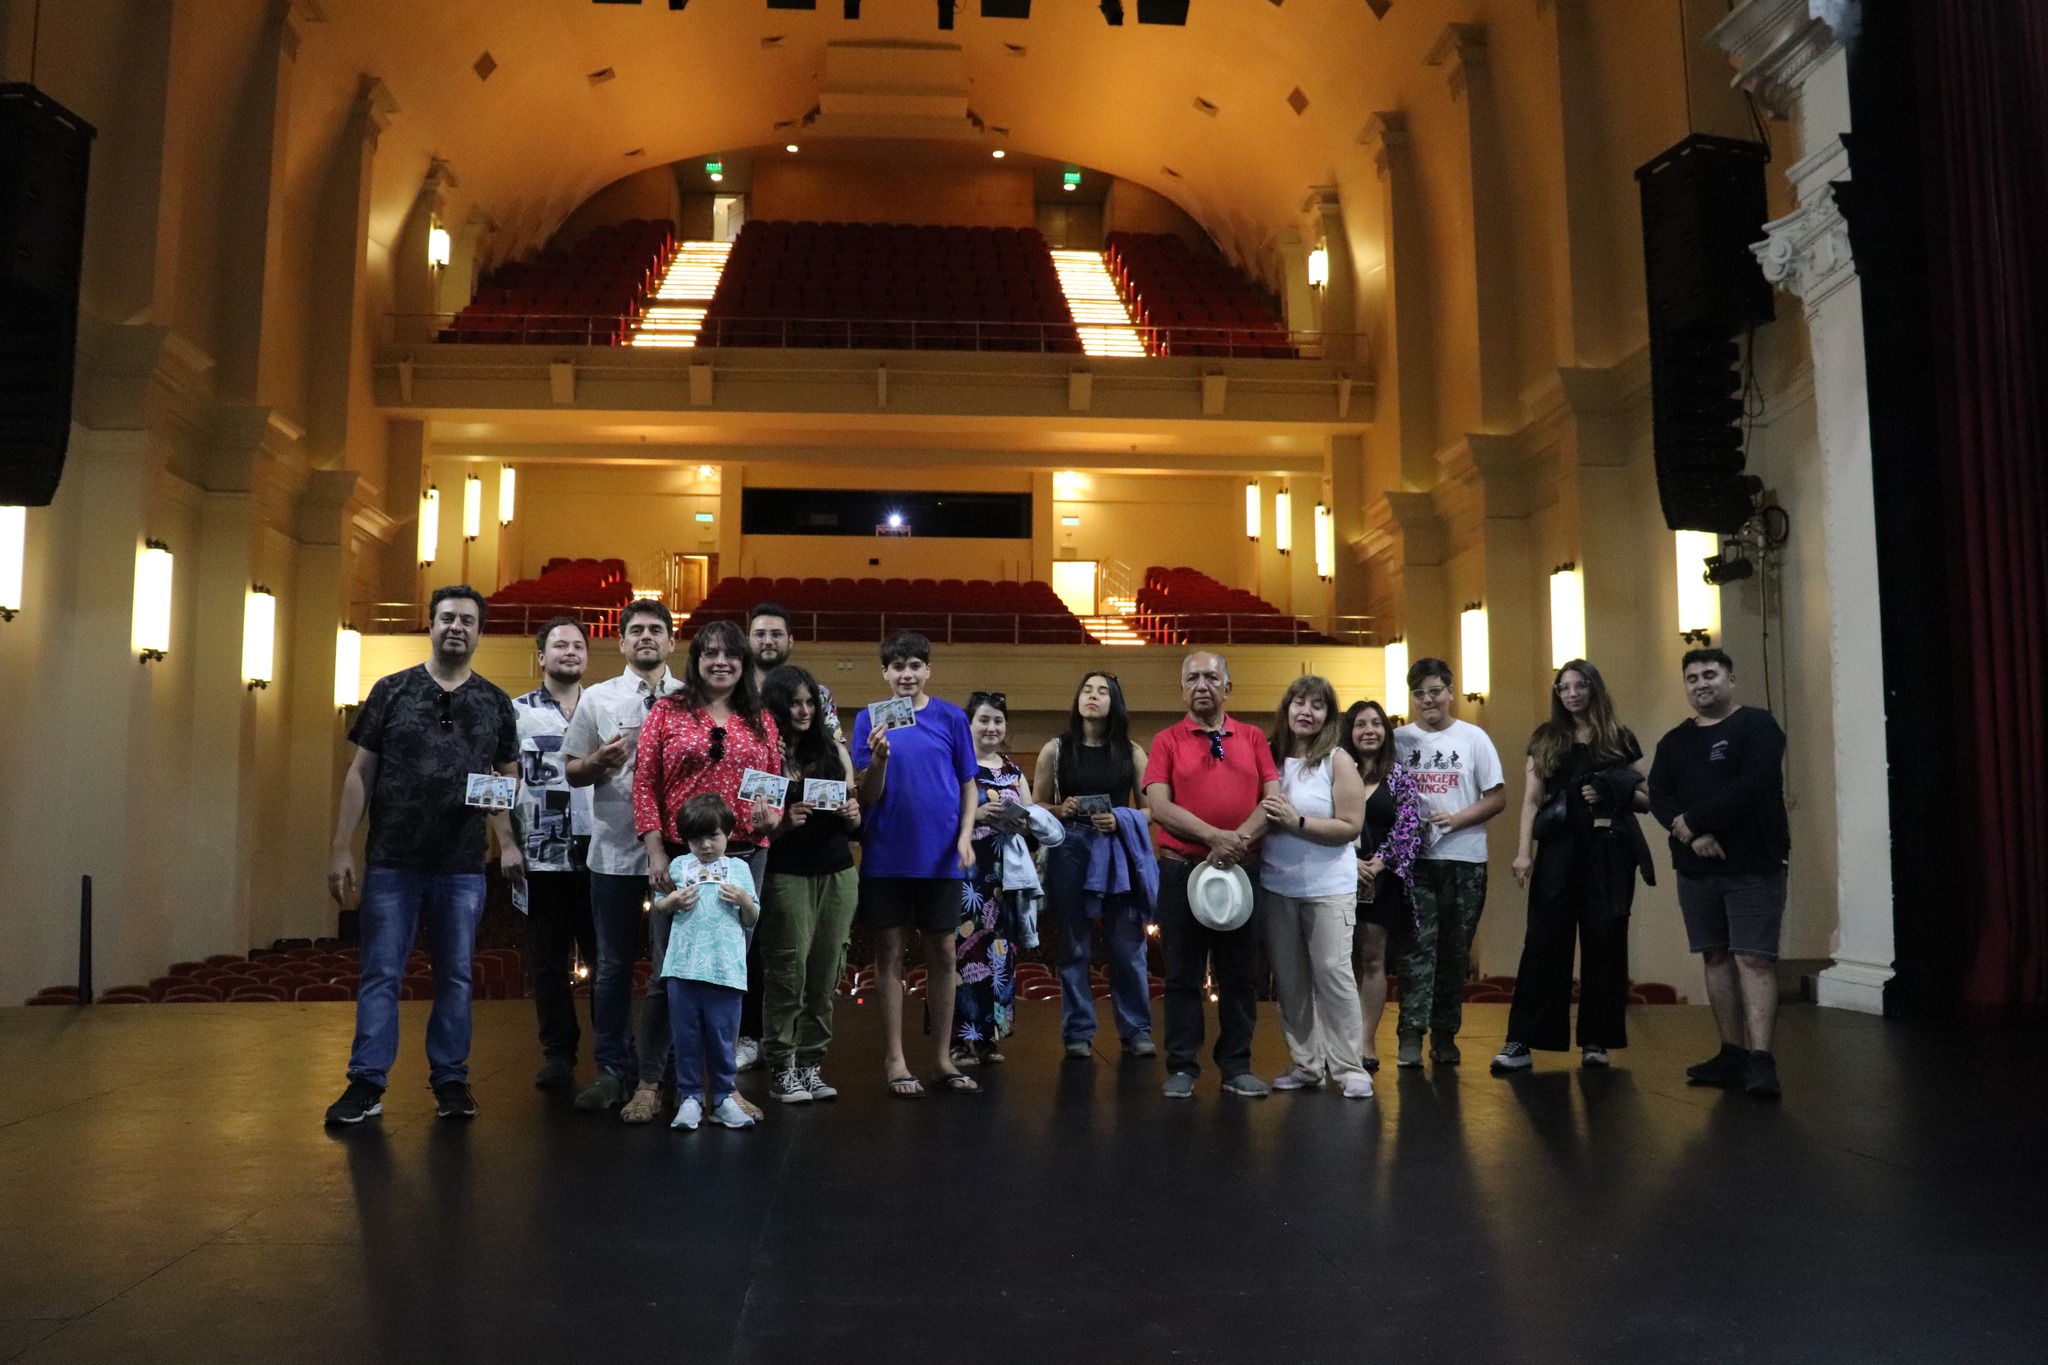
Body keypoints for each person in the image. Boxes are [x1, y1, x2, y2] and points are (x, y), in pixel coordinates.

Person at [324, 585, 523, 1126]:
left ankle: (451, 1080)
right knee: (381, 973)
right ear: (431, 626)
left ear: (480, 633)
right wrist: (341, 847)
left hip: (461, 865)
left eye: (467, 620)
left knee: (456, 976)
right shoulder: (390, 690)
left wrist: (505, 836)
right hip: (393, 859)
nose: (456, 627)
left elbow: (505, 778)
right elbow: (360, 773)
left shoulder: (495, 702)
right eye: (447, 618)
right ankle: (366, 1083)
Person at [626, 619, 781, 1122]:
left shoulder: (761, 718)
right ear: (695, 660)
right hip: (679, 856)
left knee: (728, 975)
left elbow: (774, 787)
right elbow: (644, 784)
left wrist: (771, 817)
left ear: (744, 662)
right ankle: (651, 1083)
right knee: (666, 974)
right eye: (710, 653)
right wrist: (655, 852)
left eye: (730, 654)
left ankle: (723, 1090)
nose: (720, 662)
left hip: (744, 857)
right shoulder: (668, 710)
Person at [1495, 660, 1656, 1073]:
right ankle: (1522, 1040)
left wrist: (1612, 789)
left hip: (1608, 852)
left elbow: (1647, 799)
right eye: (1564, 687)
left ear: (1593, 688)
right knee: (1544, 943)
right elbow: (1531, 800)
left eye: (1580, 685)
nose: (1572, 694)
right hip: (1558, 849)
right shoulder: (1546, 737)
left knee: (1605, 943)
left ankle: (1597, 1040)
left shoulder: (1618, 737)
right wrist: (1523, 852)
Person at [1648, 648, 1791, 1099]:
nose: (1701, 684)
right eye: (1692, 678)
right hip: (1696, 867)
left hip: (1754, 863)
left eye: (1709, 674)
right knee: (1714, 957)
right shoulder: (1674, 742)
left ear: (1731, 679)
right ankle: (1731, 1054)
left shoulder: (1757, 725)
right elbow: (1659, 796)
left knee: (1754, 958)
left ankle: (1761, 1060)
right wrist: (1692, 836)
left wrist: (1696, 820)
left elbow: (1754, 784)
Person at [562, 598, 684, 1115]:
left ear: (672, 641)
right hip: (614, 849)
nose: (646, 637)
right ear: (621, 641)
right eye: (636, 630)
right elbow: (572, 770)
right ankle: (612, 1069)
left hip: (676, 853)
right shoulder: (597, 697)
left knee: (671, 968)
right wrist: (598, 760)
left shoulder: (690, 698)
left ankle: (665, 1069)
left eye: (656, 629)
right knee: (611, 967)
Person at [1143, 651, 1281, 1100]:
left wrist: (1236, 841)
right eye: (1192, 678)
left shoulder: (1253, 737)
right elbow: (1159, 807)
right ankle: (1183, 1066)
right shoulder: (1166, 740)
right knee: (1182, 974)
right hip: (1181, 871)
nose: (1201, 685)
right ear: (1182, 689)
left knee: (1240, 975)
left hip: (1241, 872)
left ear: (1228, 687)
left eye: (1210, 677)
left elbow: (1273, 800)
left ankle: (1236, 1067)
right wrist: (1216, 837)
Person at [850, 631, 981, 1097]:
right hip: (885, 855)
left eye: (915, 665)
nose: (906, 674)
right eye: (897, 666)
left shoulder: (952, 717)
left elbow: (968, 784)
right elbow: (867, 794)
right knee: (889, 953)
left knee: (943, 952)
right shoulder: (868, 719)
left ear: (928, 670)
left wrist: (964, 836)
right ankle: (895, 1058)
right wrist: (879, 759)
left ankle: (943, 1058)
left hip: (941, 857)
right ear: (884, 673)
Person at [1032, 671, 1157, 1059]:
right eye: (1087, 690)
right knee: (1074, 945)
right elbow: (1035, 806)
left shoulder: (1132, 752)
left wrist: (1122, 818)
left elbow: (1153, 810)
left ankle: (1136, 1030)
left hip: (1117, 848)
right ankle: (1078, 1032)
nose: (1093, 696)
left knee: (1127, 944)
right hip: (1070, 847)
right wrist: (1060, 809)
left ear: (1113, 702)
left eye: (1102, 691)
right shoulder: (1055, 750)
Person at [1257, 676, 1372, 1098]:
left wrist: (1297, 822)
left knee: (1333, 974)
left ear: (1328, 716)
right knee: (1289, 981)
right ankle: (1306, 1064)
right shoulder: (1268, 756)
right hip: (1276, 885)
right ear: (1286, 708)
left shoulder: (1337, 760)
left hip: (1329, 888)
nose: (1307, 712)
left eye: (1318, 705)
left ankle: (1350, 1068)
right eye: (1300, 703)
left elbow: (1351, 826)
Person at [1393, 657, 1507, 1068]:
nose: (1428, 700)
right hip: (1416, 863)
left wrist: (1456, 819)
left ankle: (1445, 1035)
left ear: (1450, 692)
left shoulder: (1474, 738)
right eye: (1419, 693)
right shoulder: (1398, 741)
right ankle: (1410, 1035)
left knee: (1454, 954)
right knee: (1415, 951)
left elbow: (1498, 797)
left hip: (1464, 861)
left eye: (1435, 691)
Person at [758, 664, 862, 1104]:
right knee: (788, 973)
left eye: (809, 703)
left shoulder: (833, 751)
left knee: (826, 975)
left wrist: (854, 816)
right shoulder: (763, 753)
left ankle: (810, 1064)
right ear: (776, 706)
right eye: (794, 703)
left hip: (837, 872)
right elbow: (753, 827)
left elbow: (855, 819)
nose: (803, 711)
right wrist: (783, 825)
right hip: (786, 874)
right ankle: (781, 1066)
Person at [513, 616, 598, 1089]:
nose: (570, 652)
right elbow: (500, 781)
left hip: (602, 855)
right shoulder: (516, 713)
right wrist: (505, 842)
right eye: (560, 645)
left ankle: (612, 1053)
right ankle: (559, 1053)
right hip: (541, 855)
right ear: (541, 656)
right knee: (547, 963)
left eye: (578, 646)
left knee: (605, 961)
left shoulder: (604, 709)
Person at [954, 691, 1050, 1066]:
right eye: (983, 720)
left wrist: (1022, 822)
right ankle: (959, 1040)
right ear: (969, 724)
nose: (991, 727)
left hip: (1006, 876)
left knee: (1001, 955)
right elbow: (942, 814)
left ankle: (990, 1037)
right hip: (967, 874)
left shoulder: (1013, 770)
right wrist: (976, 815)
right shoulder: (957, 765)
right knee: (963, 954)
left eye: (998, 720)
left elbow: (1033, 820)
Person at [654, 793, 761, 1131]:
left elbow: (752, 918)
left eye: (713, 836)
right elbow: (659, 905)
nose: (705, 845)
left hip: (726, 969)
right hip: (683, 968)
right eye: (695, 839)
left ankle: (724, 1098)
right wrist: (672, 900)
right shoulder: (678, 866)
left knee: (722, 1038)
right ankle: (689, 1097)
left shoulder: (740, 869)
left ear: (727, 832)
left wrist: (745, 900)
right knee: (685, 1037)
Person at [1339, 699, 1424, 1073]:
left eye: (1375, 723)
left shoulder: (1398, 776)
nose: (1368, 730)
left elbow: (1409, 825)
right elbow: (1324, 817)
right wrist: (1349, 863)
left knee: (1373, 959)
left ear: (1386, 732)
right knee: (1340, 960)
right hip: (1337, 875)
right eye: (1360, 724)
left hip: (1381, 880)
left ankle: (1366, 1041)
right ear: (1350, 732)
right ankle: (1340, 1040)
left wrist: (1378, 863)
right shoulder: (1336, 773)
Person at [749, 602, 842, 741]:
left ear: (790, 641)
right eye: (760, 634)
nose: (768, 641)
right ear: (747, 641)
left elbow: (835, 746)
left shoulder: (818, 695)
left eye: (776, 634)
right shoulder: (735, 694)